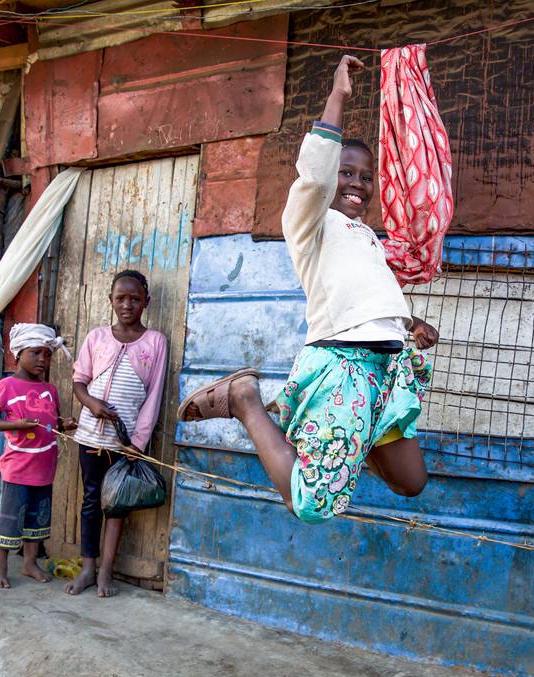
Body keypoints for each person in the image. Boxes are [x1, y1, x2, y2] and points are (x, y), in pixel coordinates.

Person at [177, 55, 439, 523]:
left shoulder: (366, 237)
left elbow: (362, 297)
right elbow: (315, 176)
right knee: (312, 503)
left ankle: (340, 442)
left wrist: (408, 323)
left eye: (366, 177)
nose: (357, 183)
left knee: (411, 481)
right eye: (346, 172)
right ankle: (244, 400)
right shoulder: (310, 222)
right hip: (343, 368)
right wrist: (337, 96)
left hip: (386, 369)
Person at [64, 270, 168, 597]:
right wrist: (91, 403)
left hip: (124, 443)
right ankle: (88, 568)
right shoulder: (97, 337)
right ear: (110, 300)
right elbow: (79, 382)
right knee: (91, 499)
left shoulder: (155, 342)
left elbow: (154, 395)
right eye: (121, 298)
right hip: (90, 436)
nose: (127, 305)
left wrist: (138, 442)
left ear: (146, 302)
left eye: (135, 299)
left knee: (117, 504)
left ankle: (107, 571)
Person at [0, 323, 77, 589]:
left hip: (44, 467)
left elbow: (49, 423)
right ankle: (0, 568)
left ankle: (29, 563)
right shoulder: (7, 386)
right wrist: (17, 425)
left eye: (47, 354)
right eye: (35, 353)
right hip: (17, 467)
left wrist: (63, 424)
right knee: (10, 517)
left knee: (38, 518)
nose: (42, 359)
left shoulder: (50, 390)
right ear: (19, 353)